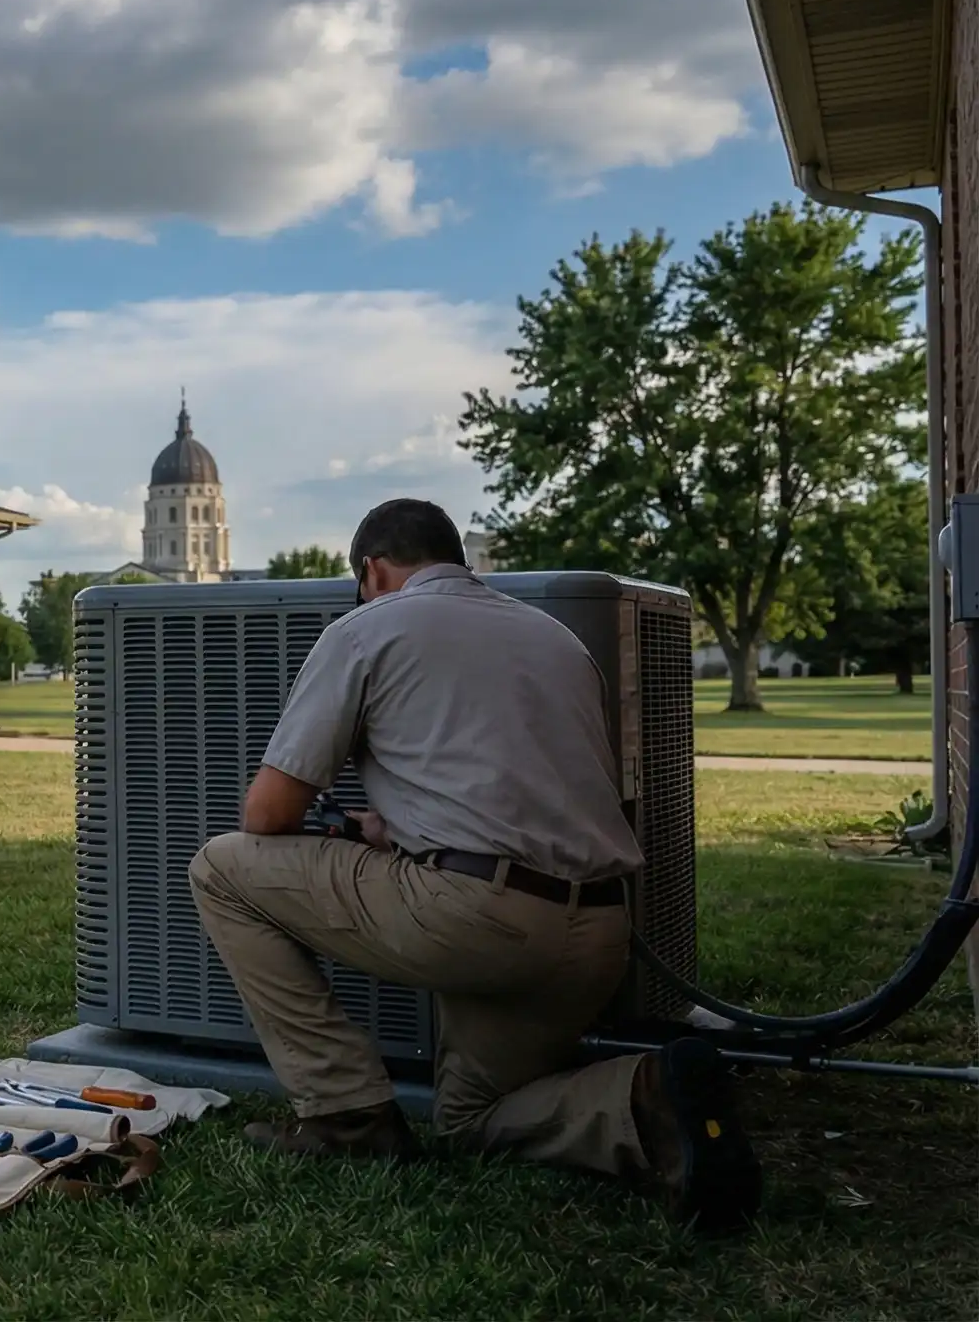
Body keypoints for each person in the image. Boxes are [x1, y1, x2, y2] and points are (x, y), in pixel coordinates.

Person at [187, 498, 761, 1233]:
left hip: (476, 923)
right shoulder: (556, 637)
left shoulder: (367, 628)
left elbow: (267, 817)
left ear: (373, 570)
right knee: (471, 1118)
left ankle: (348, 1117)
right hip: (598, 932)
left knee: (223, 868)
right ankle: (646, 1096)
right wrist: (400, 828)